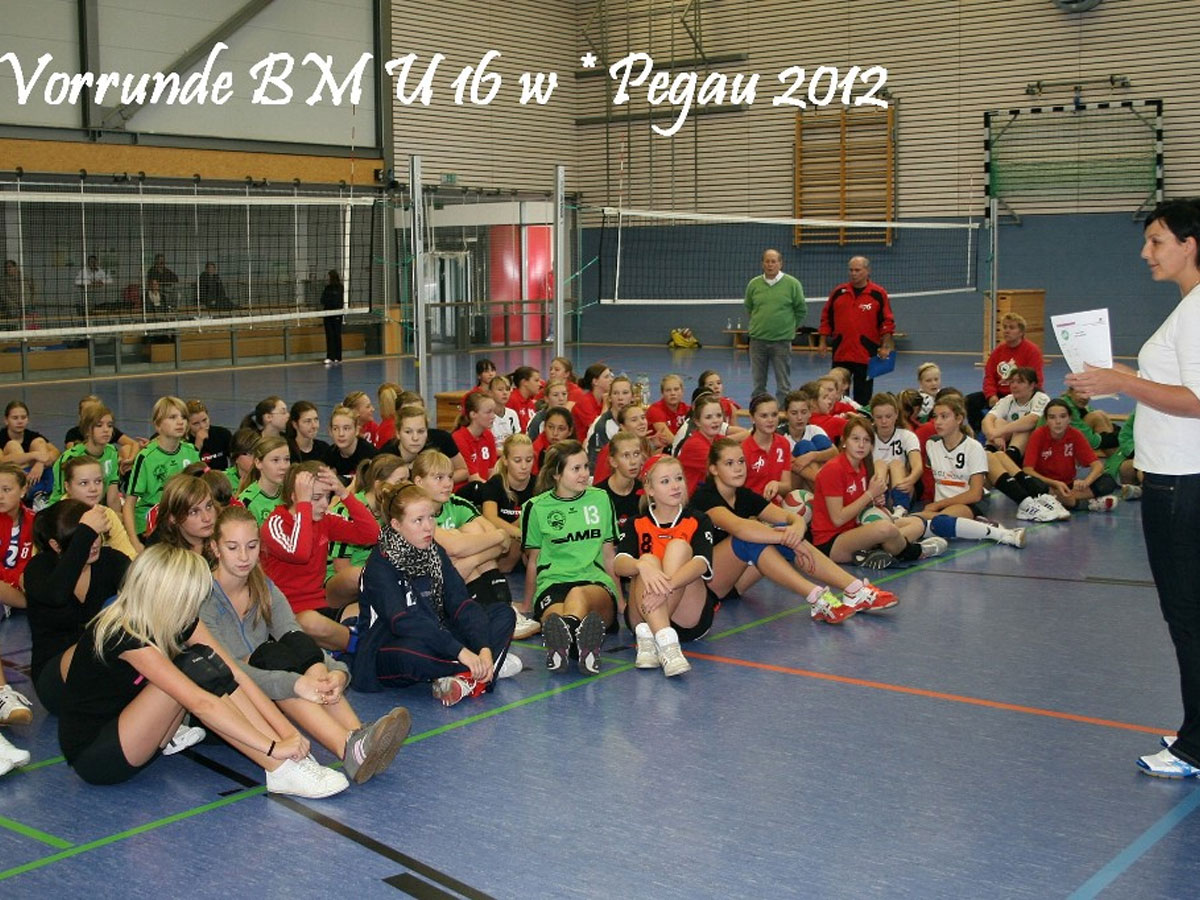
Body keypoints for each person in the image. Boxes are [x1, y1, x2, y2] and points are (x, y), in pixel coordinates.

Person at [1064, 198, 1200, 778]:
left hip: (1181, 483)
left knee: (1186, 613)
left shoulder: (1197, 311)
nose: (1146, 252)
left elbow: (1196, 401)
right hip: (1179, 477)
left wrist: (1123, 382)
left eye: (1157, 241)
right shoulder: (1189, 308)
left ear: (1190, 244)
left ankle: (1195, 747)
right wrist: (1118, 381)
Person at [57, 544, 348, 795]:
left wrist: (287, 734)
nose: (195, 604)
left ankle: (289, 765)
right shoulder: (123, 633)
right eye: (190, 597)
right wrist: (273, 748)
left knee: (208, 660)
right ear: (166, 595)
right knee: (191, 668)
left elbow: (235, 674)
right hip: (98, 755)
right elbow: (200, 703)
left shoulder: (177, 616)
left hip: (146, 732)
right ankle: (279, 769)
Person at [203, 506, 411, 783]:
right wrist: (294, 683)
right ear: (215, 548)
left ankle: (358, 735)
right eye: (232, 547)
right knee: (273, 657)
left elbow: (296, 638)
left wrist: (336, 672)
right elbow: (228, 670)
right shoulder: (203, 596)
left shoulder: (263, 587)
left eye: (251, 546)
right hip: (225, 701)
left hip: (266, 691)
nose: (243, 556)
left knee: (293, 646)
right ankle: (346, 747)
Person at [353, 483, 516, 705]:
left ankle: (470, 675)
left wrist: (483, 648)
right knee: (411, 655)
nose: (428, 527)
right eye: (418, 520)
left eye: (431, 517)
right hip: (391, 644)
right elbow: (402, 622)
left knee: (503, 613)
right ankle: (485, 669)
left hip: (437, 633)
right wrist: (461, 652)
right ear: (396, 525)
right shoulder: (380, 563)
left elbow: (461, 602)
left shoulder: (434, 552)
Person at [522, 441, 619, 675]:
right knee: (554, 618)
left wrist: (622, 603)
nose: (584, 473)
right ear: (556, 474)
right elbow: (533, 560)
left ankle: (564, 646)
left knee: (577, 595)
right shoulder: (536, 507)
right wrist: (527, 604)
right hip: (552, 583)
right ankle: (581, 647)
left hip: (594, 583)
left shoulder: (601, 499)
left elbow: (609, 554)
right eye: (576, 468)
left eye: (586, 466)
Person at [260, 462, 379, 652]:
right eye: (316, 498)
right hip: (286, 613)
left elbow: (372, 534)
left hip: (320, 603)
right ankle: (364, 648)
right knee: (312, 622)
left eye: (327, 496)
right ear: (294, 496)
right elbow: (301, 553)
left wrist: (344, 494)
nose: (325, 504)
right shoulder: (275, 524)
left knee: (367, 609)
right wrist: (304, 506)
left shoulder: (324, 520)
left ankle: (347, 645)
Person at [25, 501, 130, 715]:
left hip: (105, 673)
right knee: (102, 639)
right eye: (85, 538)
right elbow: (56, 595)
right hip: (56, 681)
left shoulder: (112, 560)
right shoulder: (39, 567)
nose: (93, 543)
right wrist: (85, 533)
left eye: (96, 536)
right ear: (56, 546)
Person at [613, 455, 714, 677]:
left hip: (687, 617)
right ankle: (668, 645)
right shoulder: (636, 523)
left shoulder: (698, 520)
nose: (675, 486)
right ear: (649, 489)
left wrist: (666, 587)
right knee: (647, 561)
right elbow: (619, 564)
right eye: (665, 481)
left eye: (679, 478)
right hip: (642, 614)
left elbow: (701, 563)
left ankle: (655, 637)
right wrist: (642, 566)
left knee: (679, 547)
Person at [817, 256, 896, 405]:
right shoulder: (838, 292)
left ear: (867, 271)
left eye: (857, 270)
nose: (853, 273)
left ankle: (862, 417)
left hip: (865, 353)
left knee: (863, 396)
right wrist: (822, 341)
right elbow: (826, 317)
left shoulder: (878, 294)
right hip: (841, 352)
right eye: (851, 270)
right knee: (837, 394)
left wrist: (885, 346)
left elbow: (887, 322)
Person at [123, 396, 201, 543]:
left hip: (182, 518)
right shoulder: (146, 457)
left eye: (183, 417)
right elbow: (129, 504)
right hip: (150, 524)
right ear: (158, 425)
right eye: (172, 417)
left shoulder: (191, 452)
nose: (180, 422)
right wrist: (134, 541)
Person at [1022, 399, 1119, 512]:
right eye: (1052, 417)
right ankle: (1085, 504)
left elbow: (1097, 465)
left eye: (1063, 416)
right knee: (1029, 483)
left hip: (1068, 486)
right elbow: (1027, 470)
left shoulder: (1075, 434)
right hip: (1046, 484)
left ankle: (1060, 500)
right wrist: (1054, 483)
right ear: (1046, 420)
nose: (1058, 422)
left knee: (1108, 481)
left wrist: (1086, 482)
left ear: (1069, 419)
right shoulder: (1039, 434)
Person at [745, 248, 806, 402]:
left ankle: (783, 409)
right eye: (767, 261)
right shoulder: (753, 284)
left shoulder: (792, 284)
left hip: (781, 341)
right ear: (762, 264)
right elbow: (749, 308)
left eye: (773, 261)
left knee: (783, 383)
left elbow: (801, 310)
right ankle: (759, 408)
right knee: (758, 382)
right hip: (758, 340)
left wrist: (789, 328)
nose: (770, 265)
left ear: (780, 263)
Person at [967, 312, 1045, 432]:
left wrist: (1022, 396)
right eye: (1005, 327)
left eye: (1011, 328)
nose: (1007, 331)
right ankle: (979, 432)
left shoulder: (1032, 351)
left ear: (1021, 332)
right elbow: (989, 376)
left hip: (1022, 395)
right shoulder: (998, 351)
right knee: (970, 401)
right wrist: (991, 395)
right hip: (1000, 394)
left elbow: (1036, 380)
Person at [186, 400, 233, 472]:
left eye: (204, 420)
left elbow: (236, 459)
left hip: (221, 477)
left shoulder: (222, 434)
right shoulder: (184, 442)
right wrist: (197, 446)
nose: (202, 426)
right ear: (187, 424)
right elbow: (187, 470)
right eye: (196, 423)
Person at [320, 270, 344, 366]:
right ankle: (330, 357)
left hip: (337, 314)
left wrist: (331, 302)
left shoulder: (340, 288)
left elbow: (338, 301)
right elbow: (322, 300)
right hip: (328, 314)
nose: (328, 279)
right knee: (329, 335)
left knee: (337, 335)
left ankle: (338, 357)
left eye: (329, 277)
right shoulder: (327, 288)